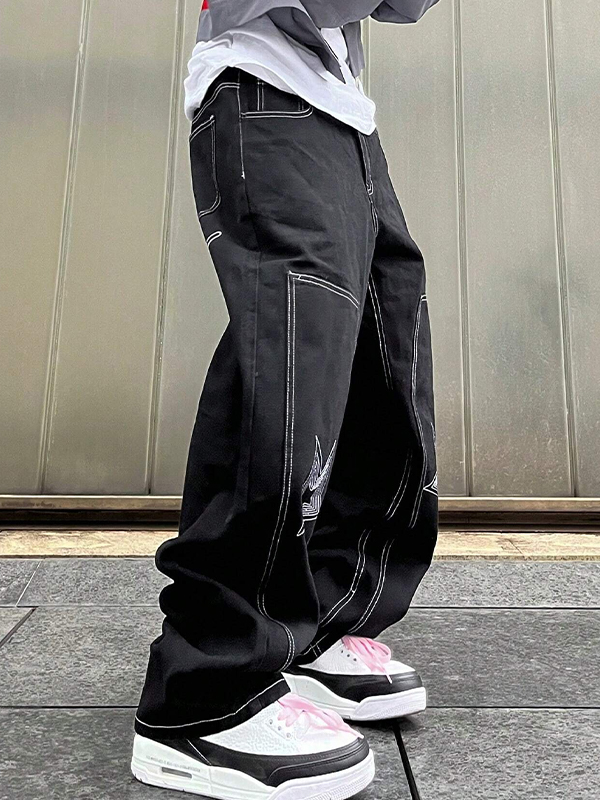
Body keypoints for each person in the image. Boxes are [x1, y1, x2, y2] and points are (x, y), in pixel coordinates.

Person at [132, 2, 440, 798]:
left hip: (340, 107)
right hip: (261, 83)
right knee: (290, 357)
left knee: (379, 351)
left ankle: (318, 623)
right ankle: (205, 691)